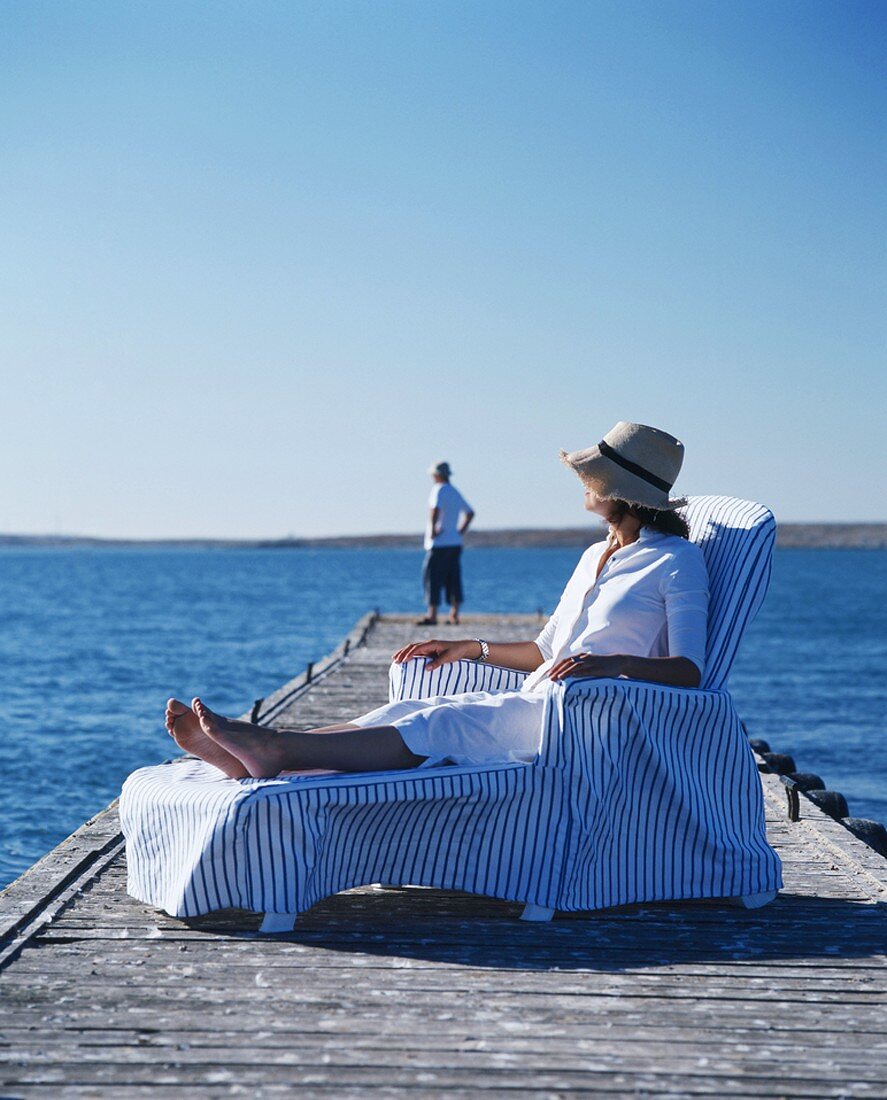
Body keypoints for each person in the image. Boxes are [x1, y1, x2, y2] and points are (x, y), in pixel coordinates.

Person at [166, 422, 708, 781]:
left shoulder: (675, 562)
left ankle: (276, 752)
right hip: (545, 699)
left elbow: (690, 670)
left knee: (442, 724)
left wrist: (612, 664)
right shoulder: (594, 556)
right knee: (413, 709)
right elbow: (547, 652)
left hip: (592, 720)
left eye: (594, 476)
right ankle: (258, 752)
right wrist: (467, 646)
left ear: (623, 491)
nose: (583, 484)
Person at [418, 461, 475, 625]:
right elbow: (470, 513)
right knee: (453, 578)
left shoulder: (439, 489)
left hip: (439, 543)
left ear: (437, 475)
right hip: (454, 543)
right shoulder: (455, 492)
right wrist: (459, 532)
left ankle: (432, 614)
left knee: (432, 577)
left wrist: (434, 530)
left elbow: (435, 509)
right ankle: (454, 614)